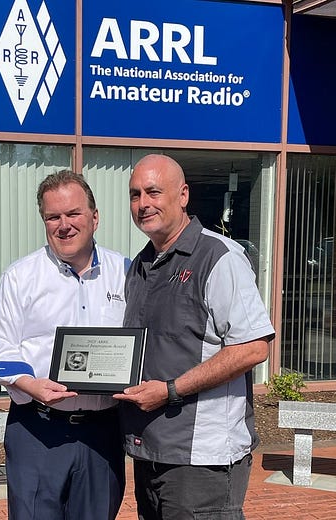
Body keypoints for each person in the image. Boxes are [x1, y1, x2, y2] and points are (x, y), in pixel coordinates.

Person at [114, 154, 275, 520]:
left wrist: (171, 390)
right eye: (135, 195)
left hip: (203, 460)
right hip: (150, 452)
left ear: (183, 195)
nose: (143, 203)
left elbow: (253, 348)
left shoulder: (220, 257)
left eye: (154, 192)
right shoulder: (140, 266)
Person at [0, 170, 129, 520]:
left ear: (95, 217)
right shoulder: (21, 276)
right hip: (38, 429)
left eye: (73, 213)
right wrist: (31, 385)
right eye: (53, 217)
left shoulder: (126, 272)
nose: (64, 225)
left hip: (103, 432)